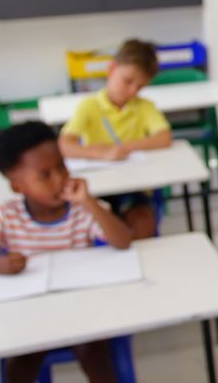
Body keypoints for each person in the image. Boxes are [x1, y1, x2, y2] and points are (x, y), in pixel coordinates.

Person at [0, 122, 133, 383]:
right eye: (45, 175)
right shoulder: (6, 216)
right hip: (30, 317)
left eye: (62, 167)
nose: (59, 179)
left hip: (82, 310)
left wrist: (89, 202)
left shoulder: (82, 210)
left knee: (93, 351)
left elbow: (123, 240)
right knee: (23, 359)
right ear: (17, 186)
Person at [59, 38, 172, 239]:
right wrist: (99, 153)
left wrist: (126, 148)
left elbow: (164, 138)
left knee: (142, 221)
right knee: (99, 223)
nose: (131, 91)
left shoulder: (143, 106)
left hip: (134, 186)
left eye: (139, 87)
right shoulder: (89, 106)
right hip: (98, 188)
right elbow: (65, 144)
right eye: (128, 81)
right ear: (111, 69)